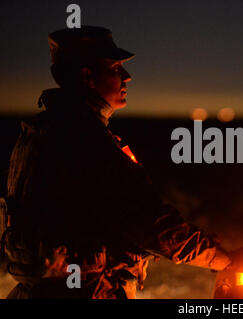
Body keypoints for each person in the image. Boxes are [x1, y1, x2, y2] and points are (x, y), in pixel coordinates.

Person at [0, 26, 231, 299]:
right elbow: (152, 224)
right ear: (87, 76)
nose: (127, 77)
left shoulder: (38, 133)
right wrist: (223, 259)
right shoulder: (85, 141)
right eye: (116, 68)